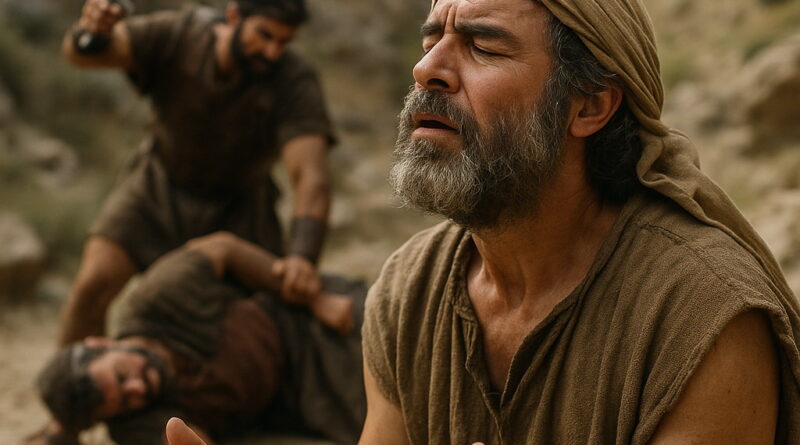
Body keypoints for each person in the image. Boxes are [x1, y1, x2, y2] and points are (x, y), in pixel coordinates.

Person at [165, 0, 800, 443]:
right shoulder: (410, 287)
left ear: (591, 106)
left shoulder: (704, 316)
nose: (428, 68)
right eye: (431, 37)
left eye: (483, 45)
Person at [58, 0, 336, 346]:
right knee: (92, 285)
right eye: (264, 35)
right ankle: (73, 390)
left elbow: (310, 175)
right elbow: (85, 53)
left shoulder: (294, 78)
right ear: (234, 15)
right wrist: (92, 31)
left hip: (241, 207)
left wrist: (302, 257)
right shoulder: (179, 34)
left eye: (283, 42)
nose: (272, 51)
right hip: (157, 188)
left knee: (256, 324)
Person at [29, 232, 366, 445]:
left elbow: (223, 248)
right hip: (298, 399)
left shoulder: (155, 300)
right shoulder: (133, 426)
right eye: (125, 400)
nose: (137, 389)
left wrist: (314, 299)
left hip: (302, 324)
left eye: (121, 375)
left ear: (100, 343)